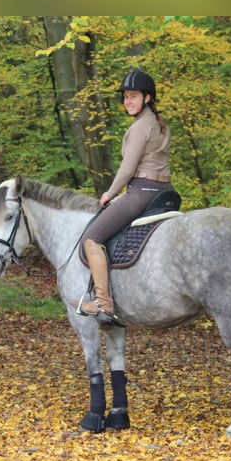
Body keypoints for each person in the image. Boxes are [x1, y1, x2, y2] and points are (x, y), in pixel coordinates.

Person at [75, 69, 174, 321]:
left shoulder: (141, 127)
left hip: (142, 191)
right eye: (125, 97)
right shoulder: (160, 124)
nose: (127, 102)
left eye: (133, 96)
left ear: (148, 98)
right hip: (163, 191)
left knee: (92, 238)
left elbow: (128, 168)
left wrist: (110, 192)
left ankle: (103, 303)